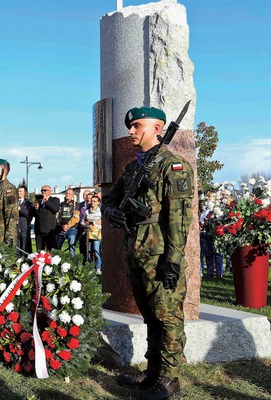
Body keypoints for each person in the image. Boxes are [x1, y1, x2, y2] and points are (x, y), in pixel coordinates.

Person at [102, 106, 193, 400]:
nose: (131, 131)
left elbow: (179, 219)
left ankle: (170, 380)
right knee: (150, 316)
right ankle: (153, 371)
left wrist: (174, 260)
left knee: (167, 318)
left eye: (138, 125)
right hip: (136, 250)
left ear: (157, 128)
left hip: (160, 254)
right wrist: (111, 210)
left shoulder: (173, 166)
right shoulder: (133, 168)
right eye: (131, 126)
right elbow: (109, 198)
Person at [34, 185, 60, 251]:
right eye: (42, 190)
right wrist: (36, 208)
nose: (43, 192)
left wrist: (46, 201)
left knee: (51, 251)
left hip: (49, 230)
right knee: (39, 251)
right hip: (39, 230)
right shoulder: (39, 201)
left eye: (45, 190)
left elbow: (55, 209)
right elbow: (35, 214)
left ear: (50, 191)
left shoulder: (55, 199)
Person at [56, 188, 80, 256]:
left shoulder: (76, 205)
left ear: (73, 195)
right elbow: (57, 217)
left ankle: (72, 262)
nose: (67, 195)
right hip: (61, 229)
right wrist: (62, 226)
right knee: (57, 247)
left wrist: (67, 226)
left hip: (71, 229)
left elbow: (76, 218)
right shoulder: (61, 205)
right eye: (66, 193)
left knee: (72, 247)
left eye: (69, 194)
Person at [81, 195, 102, 273]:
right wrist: (86, 224)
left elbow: (102, 224)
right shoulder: (87, 211)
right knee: (89, 251)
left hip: (97, 234)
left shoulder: (100, 212)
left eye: (94, 201)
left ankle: (98, 268)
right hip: (88, 234)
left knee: (96, 251)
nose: (92, 203)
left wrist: (95, 224)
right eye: (92, 201)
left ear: (98, 202)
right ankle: (90, 267)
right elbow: (82, 222)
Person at [17, 185, 34, 255]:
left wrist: (20, 209)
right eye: (18, 191)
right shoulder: (15, 202)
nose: (19, 193)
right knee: (17, 246)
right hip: (15, 227)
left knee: (25, 246)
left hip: (24, 227)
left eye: (21, 191)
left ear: (25, 193)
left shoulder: (28, 203)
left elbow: (28, 213)